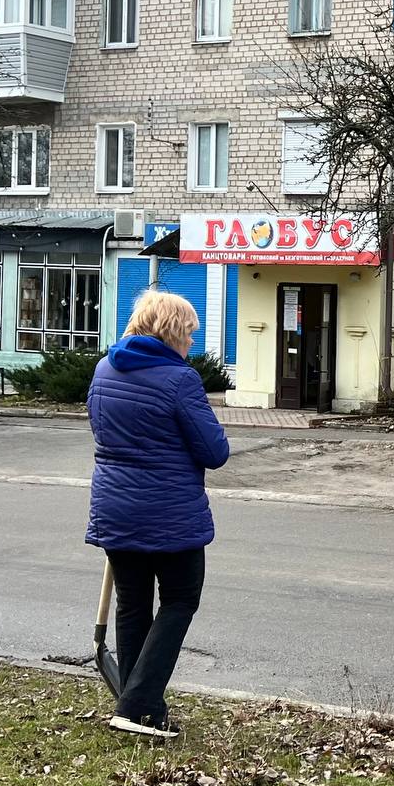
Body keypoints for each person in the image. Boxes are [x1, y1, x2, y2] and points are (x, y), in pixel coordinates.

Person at [86, 291, 230, 739]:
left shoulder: (104, 369)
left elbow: (101, 431)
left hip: (115, 507)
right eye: (188, 332)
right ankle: (138, 705)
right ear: (170, 331)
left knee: (132, 605)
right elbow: (214, 452)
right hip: (169, 514)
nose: (192, 341)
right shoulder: (180, 379)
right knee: (180, 600)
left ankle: (136, 707)